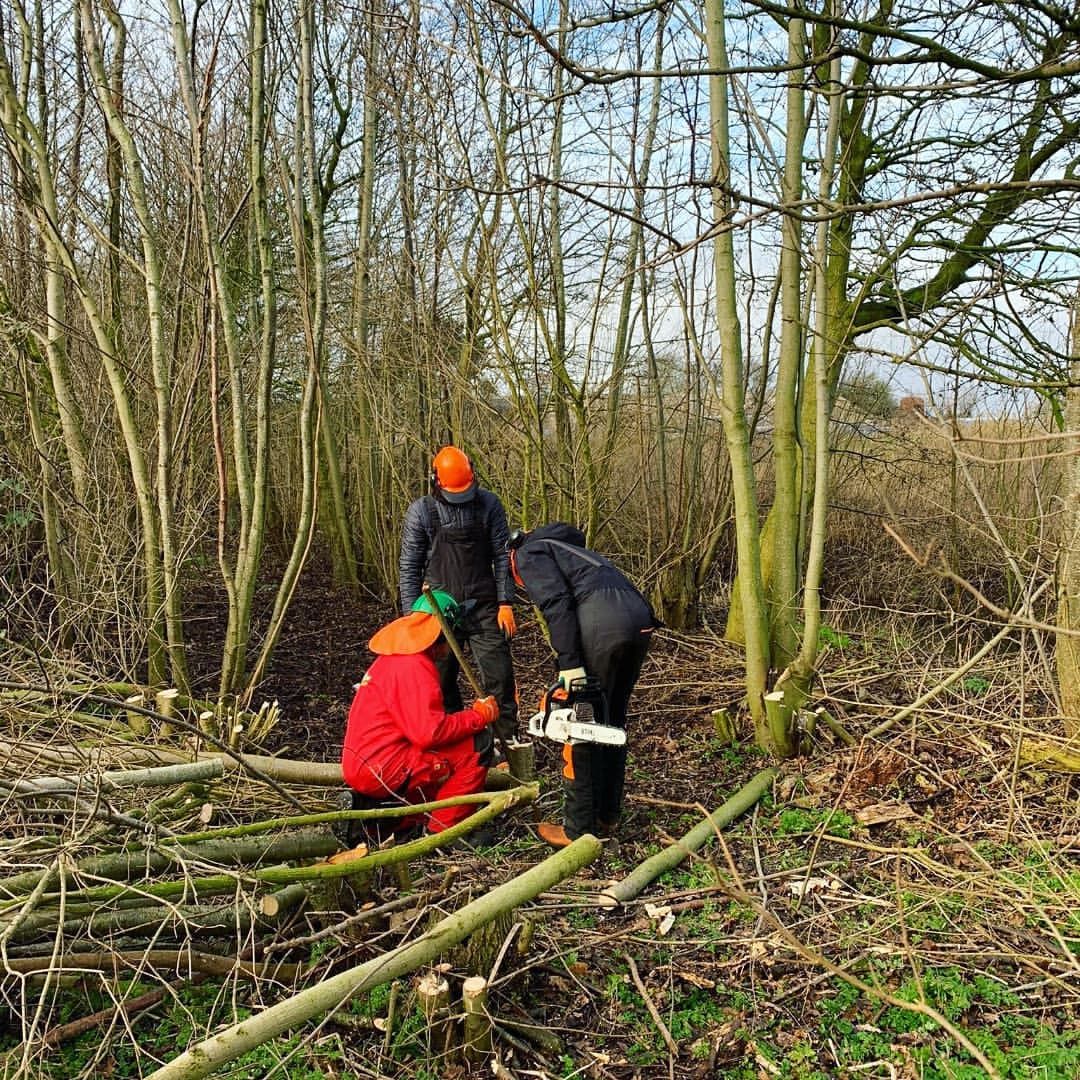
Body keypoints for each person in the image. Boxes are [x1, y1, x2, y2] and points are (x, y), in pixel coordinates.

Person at [508, 523, 657, 848]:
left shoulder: (528, 553)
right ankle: (607, 813)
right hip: (637, 619)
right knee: (610, 720)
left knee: (581, 723)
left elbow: (556, 604)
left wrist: (569, 663)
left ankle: (578, 829)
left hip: (603, 625)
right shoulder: (575, 553)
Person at [337, 589, 500, 846]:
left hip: (369, 762)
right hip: (385, 767)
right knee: (479, 743)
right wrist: (477, 717)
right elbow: (430, 734)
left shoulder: (394, 660)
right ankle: (443, 832)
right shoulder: (416, 667)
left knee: (443, 754)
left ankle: (392, 823)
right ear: (441, 633)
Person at [399, 446, 517, 758]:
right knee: (439, 685)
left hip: (484, 605)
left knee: (499, 679)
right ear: (435, 481)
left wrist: (506, 602)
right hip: (439, 611)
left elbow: (502, 556)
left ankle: (505, 750)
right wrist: (413, 618)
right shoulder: (421, 511)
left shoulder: (489, 504)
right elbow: (410, 566)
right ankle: (455, 752)